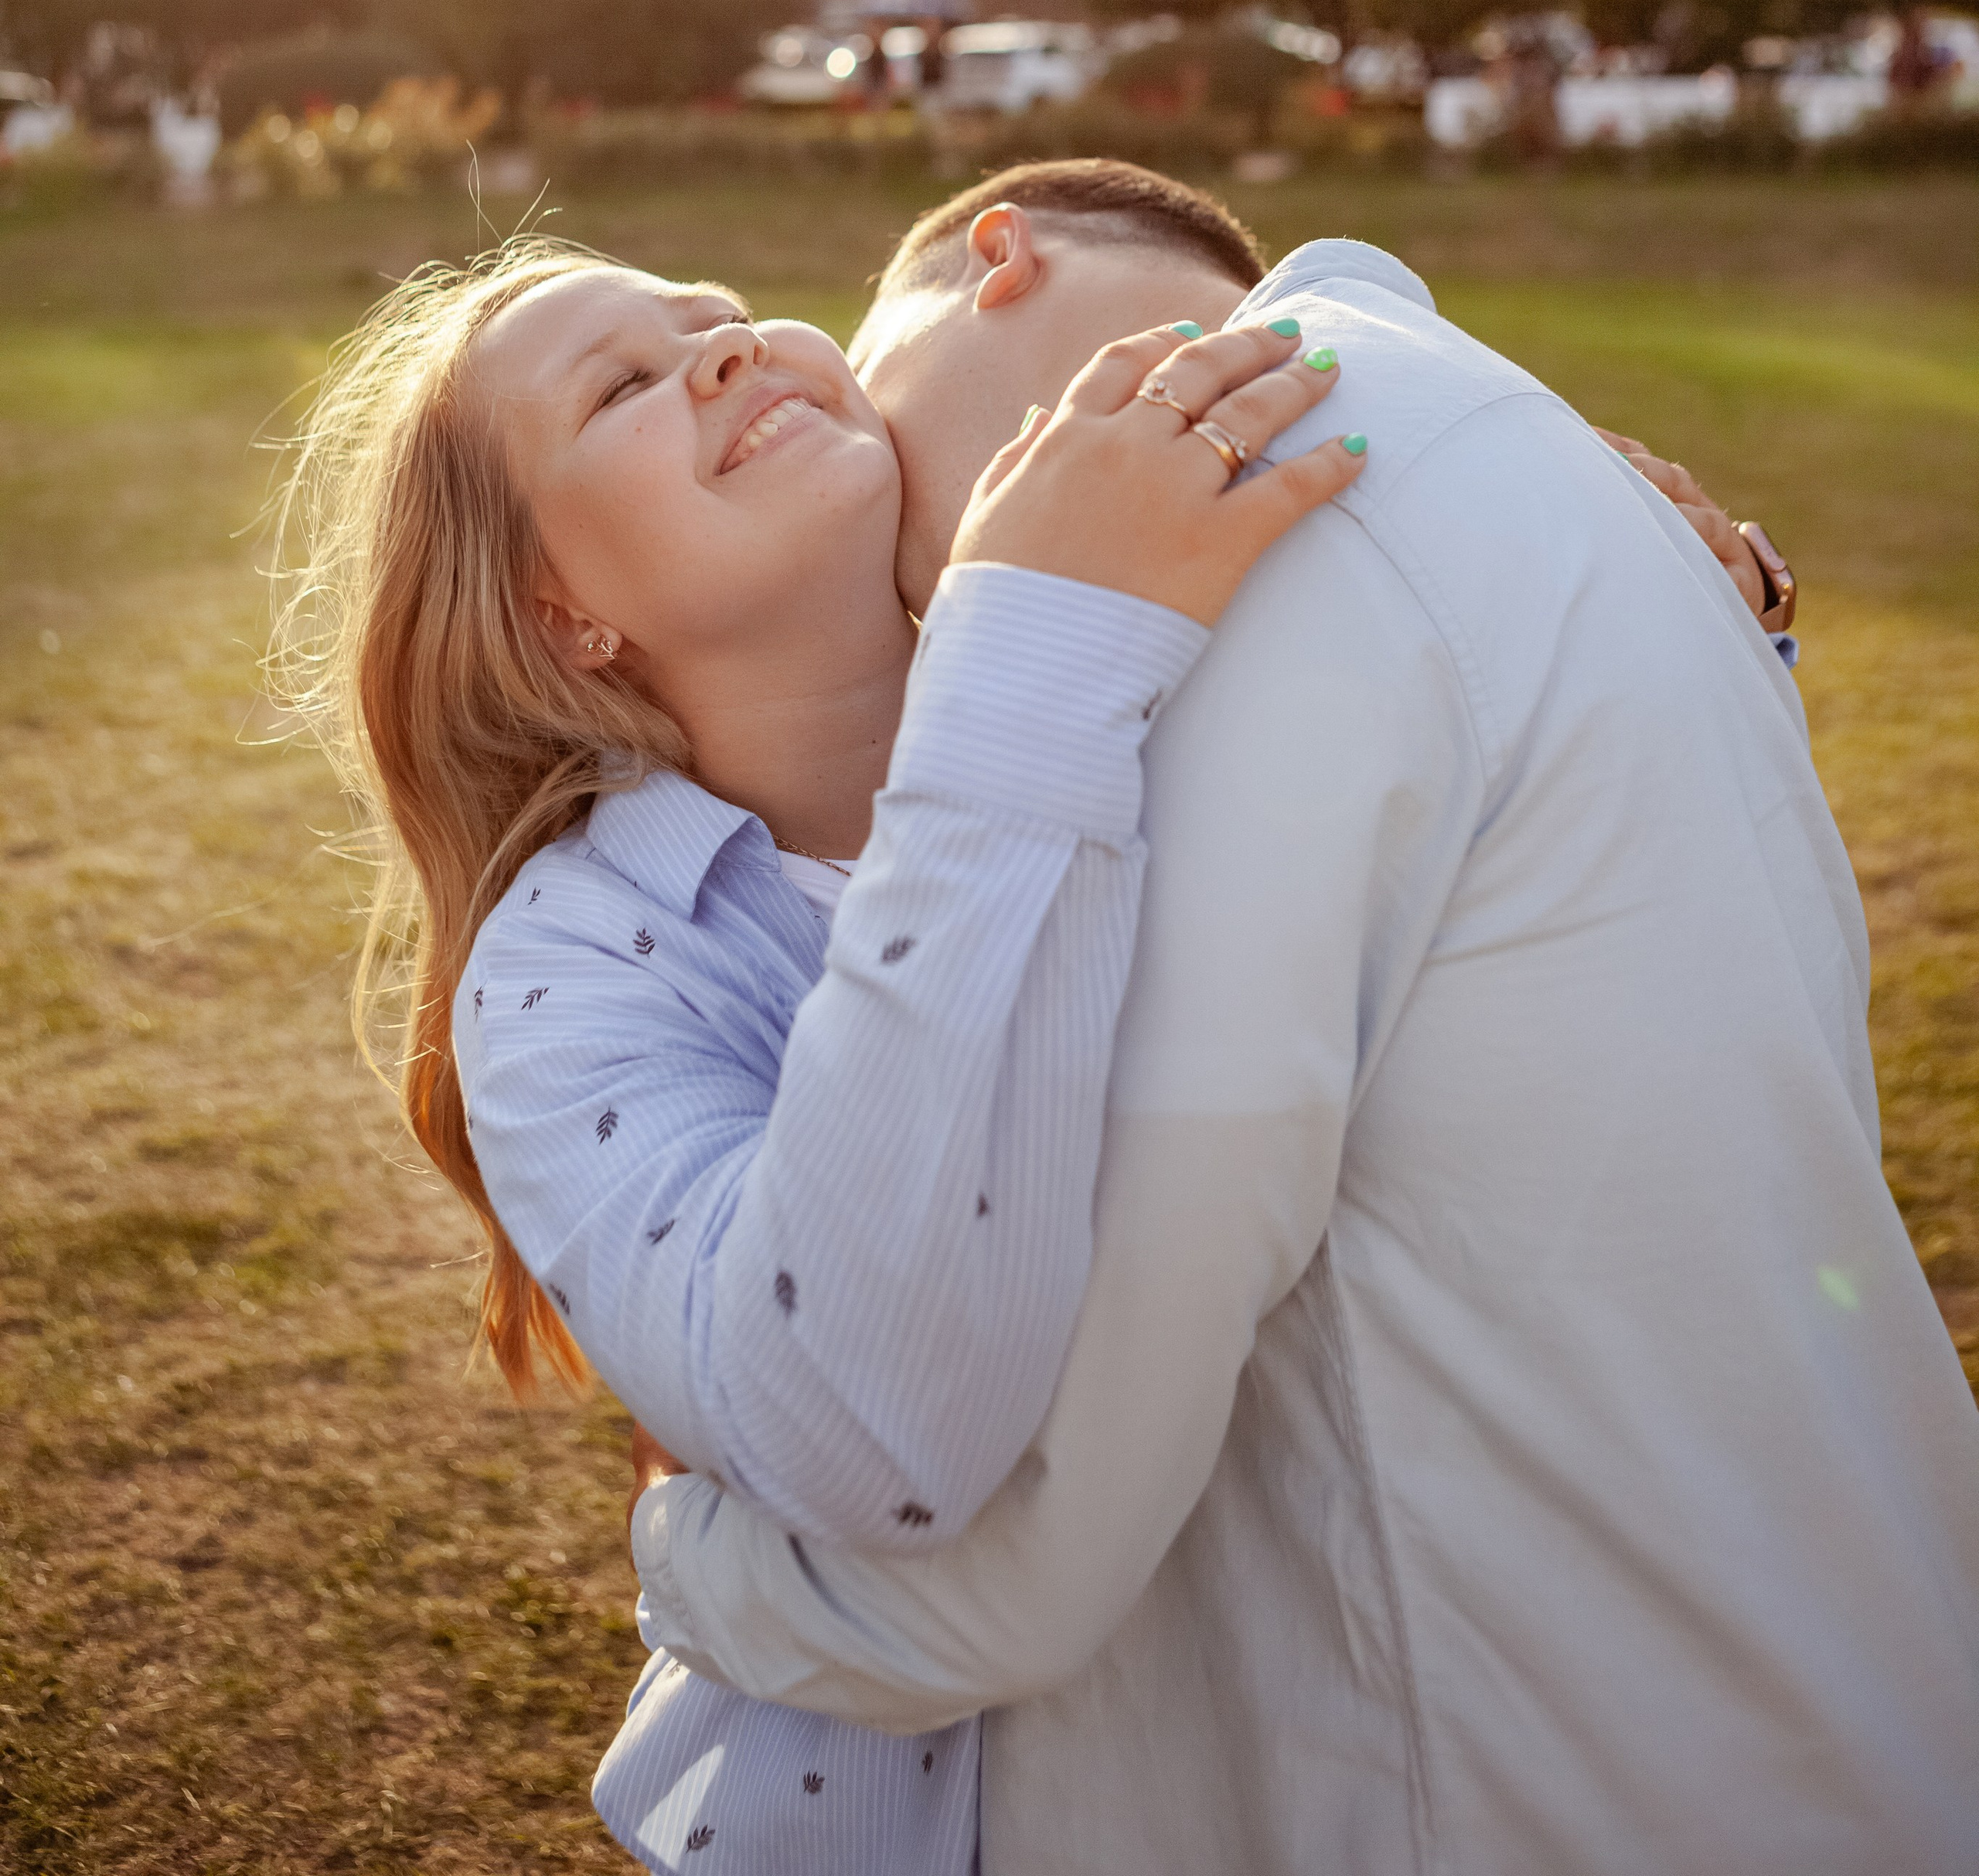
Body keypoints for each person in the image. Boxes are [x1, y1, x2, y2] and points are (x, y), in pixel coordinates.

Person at [616, 160, 1979, 1875]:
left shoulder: (1235, 537)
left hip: (1521, 1768)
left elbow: (1036, 1529)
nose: (910, 583)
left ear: (997, 258)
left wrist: (692, 1554)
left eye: (883, 463)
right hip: (1850, 1685)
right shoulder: (1533, 452)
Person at [270, 221, 1367, 1875]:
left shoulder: (1168, 671)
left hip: (1289, 1757)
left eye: (718, 309)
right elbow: (864, 1438)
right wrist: (1027, 664)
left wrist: (1680, 584)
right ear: (562, 616)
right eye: (625, 385)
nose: (726, 343)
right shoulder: (576, 975)